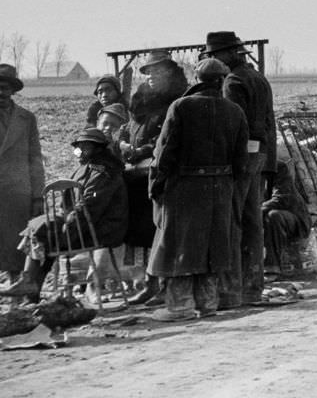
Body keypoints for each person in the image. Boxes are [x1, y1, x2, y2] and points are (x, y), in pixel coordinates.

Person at [147, 58, 248, 322]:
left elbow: (164, 152)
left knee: (179, 246)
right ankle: (208, 303)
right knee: (213, 247)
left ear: (197, 79)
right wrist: (230, 189)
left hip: (186, 189)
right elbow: (241, 161)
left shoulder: (181, 107)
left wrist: (156, 186)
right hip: (222, 189)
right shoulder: (235, 111)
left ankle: (180, 307)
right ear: (221, 80)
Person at [0, 128, 127, 302]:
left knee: (46, 232)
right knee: (39, 226)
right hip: (82, 224)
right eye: (78, 148)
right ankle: (30, 287)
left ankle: (30, 284)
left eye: (85, 148)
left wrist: (66, 229)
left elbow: (90, 208)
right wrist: (62, 222)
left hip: (101, 229)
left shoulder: (104, 173)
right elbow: (66, 205)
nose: (80, 152)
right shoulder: (83, 169)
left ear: (98, 149)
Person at [202, 31, 276, 310]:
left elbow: (235, 125)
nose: (213, 60)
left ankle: (233, 291)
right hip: (260, 156)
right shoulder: (258, 77)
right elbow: (268, 122)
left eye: (215, 55)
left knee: (235, 222)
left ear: (231, 53)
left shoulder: (233, 81)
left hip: (243, 157)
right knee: (253, 222)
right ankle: (253, 288)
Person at [120, 50, 188, 306]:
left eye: (157, 71)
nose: (151, 76)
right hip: (137, 176)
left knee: (163, 229)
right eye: (148, 72)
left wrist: (145, 150)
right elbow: (128, 129)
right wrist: (124, 144)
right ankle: (149, 283)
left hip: (162, 173)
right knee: (143, 231)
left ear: (170, 73)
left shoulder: (178, 99)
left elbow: (169, 138)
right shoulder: (140, 101)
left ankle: (166, 284)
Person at [0, 63, 44, 285]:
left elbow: (35, 158)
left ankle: (17, 289)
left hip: (18, 191)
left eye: (5, 87)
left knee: (15, 243)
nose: (1, 92)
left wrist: (38, 195)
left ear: (13, 90)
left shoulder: (26, 119)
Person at [262, 143, 310, 277]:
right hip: (262, 214)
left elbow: (282, 198)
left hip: (293, 217)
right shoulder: (244, 170)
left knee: (273, 216)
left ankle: (271, 268)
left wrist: (257, 211)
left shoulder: (278, 167)